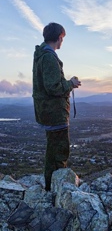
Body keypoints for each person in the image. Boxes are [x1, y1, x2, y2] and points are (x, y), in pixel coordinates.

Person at [32, 22, 81, 191]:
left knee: (53, 149)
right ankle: (56, 189)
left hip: (47, 110)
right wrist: (71, 84)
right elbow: (53, 87)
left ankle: (50, 186)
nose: (63, 41)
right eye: (63, 38)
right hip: (55, 112)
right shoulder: (49, 57)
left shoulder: (41, 55)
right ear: (60, 37)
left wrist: (67, 82)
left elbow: (50, 83)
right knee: (59, 151)